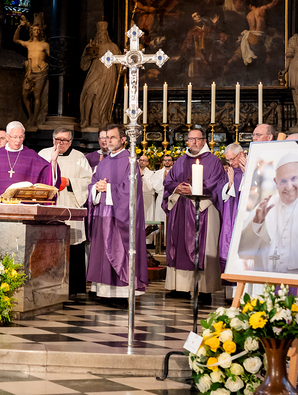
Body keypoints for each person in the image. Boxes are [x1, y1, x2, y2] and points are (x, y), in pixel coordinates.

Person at [162, 129, 227, 301]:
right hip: (181, 209)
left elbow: (217, 184)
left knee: (203, 247)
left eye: (198, 139)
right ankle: (180, 288)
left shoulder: (213, 161)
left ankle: (204, 290)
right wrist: (177, 187)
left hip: (204, 208)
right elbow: (168, 181)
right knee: (179, 246)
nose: (194, 142)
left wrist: (193, 189)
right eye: (191, 139)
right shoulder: (181, 161)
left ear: (204, 141)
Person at [87, 124, 148, 302]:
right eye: (106, 137)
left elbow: (131, 189)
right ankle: (104, 291)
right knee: (102, 253)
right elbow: (93, 183)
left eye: (112, 137)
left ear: (123, 139)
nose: (108, 141)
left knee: (119, 251)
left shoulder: (130, 161)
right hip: (103, 215)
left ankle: (121, 293)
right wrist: (96, 188)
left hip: (120, 217)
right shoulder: (103, 162)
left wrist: (108, 188)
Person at [236, 151, 298, 274]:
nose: (289, 187)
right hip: (267, 279)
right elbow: (243, 252)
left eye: (294, 178)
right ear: (275, 181)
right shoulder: (267, 204)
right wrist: (258, 222)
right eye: (283, 181)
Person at [40, 128, 92, 297]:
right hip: (49, 204)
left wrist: (69, 182)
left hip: (70, 203)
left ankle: (74, 288)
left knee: (73, 245)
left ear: (70, 142)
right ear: (52, 139)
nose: (60, 143)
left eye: (64, 140)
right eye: (58, 139)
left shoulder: (79, 157)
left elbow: (88, 181)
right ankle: (47, 285)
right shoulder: (43, 154)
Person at [0, 121, 57, 198]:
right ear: (7, 137)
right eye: (15, 137)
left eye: (21, 137)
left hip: (23, 206)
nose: (18, 141)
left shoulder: (32, 156)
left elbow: (47, 174)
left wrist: (53, 161)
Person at [218, 143, 246, 272]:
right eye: (228, 160)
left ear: (241, 154)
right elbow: (220, 190)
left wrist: (246, 175)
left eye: (232, 159)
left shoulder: (250, 167)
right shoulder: (231, 171)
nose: (230, 163)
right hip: (230, 212)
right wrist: (229, 185)